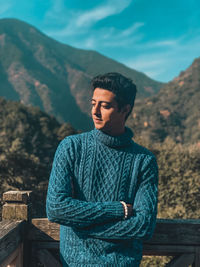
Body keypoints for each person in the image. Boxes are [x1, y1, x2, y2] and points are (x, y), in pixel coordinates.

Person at [46, 72, 158, 267]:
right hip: (75, 263)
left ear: (125, 109)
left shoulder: (144, 160)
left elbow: (143, 226)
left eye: (105, 106)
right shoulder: (71, 147)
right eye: (93, 103)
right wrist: (118, 209)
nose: (95, 111)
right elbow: (56, 208)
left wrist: (80, 225)